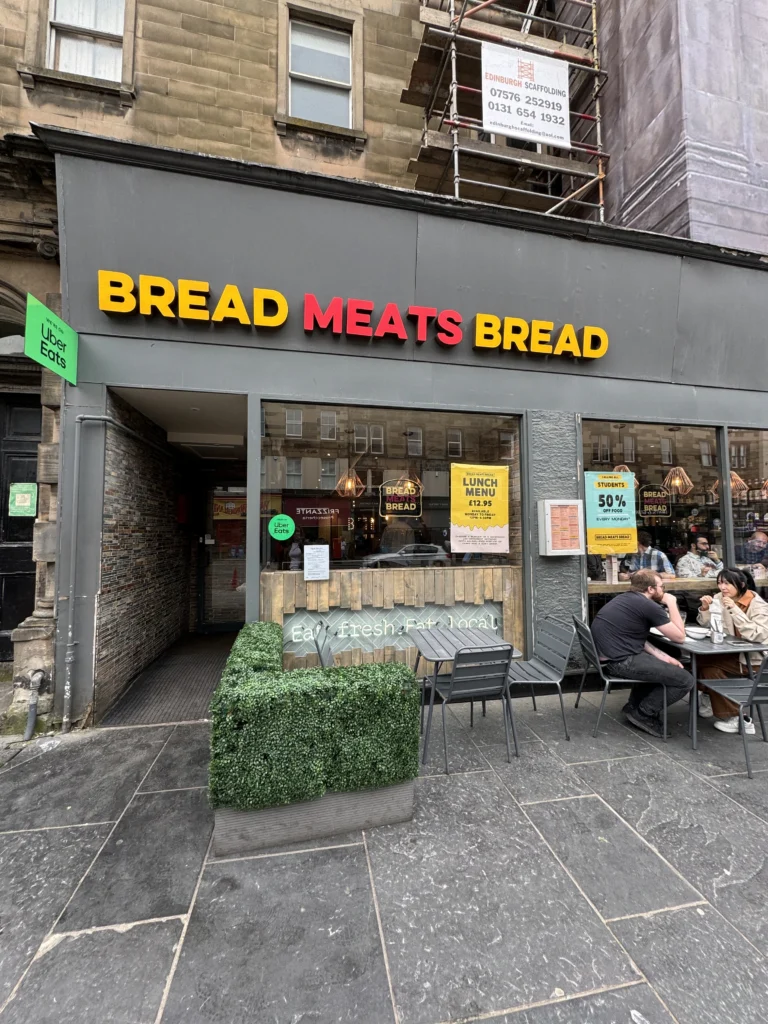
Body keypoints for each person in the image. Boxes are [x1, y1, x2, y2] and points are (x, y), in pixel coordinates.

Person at [591, 569, 694, 737]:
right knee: (685, 680)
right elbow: (680, 636)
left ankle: (634, 705)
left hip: (609, 657)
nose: (663, 590)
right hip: (619, 662)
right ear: (651, 589)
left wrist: (663, 656)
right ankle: (644, 713)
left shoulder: (625, 598)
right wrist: (672, 602)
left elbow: (635, 637)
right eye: (661, 586)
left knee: (662, 666)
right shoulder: (648, 605)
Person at [697, 568, 768, 734]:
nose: (722, 587)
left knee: (698, 663)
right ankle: (737, 717)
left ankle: (708, 694)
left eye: (727, 583)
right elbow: (710, 626)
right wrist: (706, 609)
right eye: (720, 583)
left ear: (741, 584)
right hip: (729, 654)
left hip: (753, 660)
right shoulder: (719, 598)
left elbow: (758, 634)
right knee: (706, 668)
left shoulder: (758, 605)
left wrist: (734, 609)